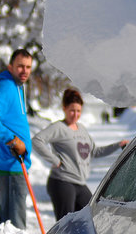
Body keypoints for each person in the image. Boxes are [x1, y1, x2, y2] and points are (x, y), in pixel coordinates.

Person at [32, 88, 128, 220]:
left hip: (79, 183)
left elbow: (94, 151)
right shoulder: (59, 128)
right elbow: (37, 140)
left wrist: (117, 145)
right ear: (64, 108)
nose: (75, 114)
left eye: (78, 111)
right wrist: (55, 160)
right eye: (72, 110)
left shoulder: (82, 129)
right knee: (66, 224)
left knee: (91, 216)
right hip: (62, 182)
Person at [0, 49, 33, 229]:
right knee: (15, 223)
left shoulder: (17, 86)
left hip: (14, 164)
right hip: (9, 165)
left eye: (28, 67)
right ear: (10, 67)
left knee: (7, 220)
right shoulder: (7, 86)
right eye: (20, 66)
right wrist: (11, 140)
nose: (24, 71)